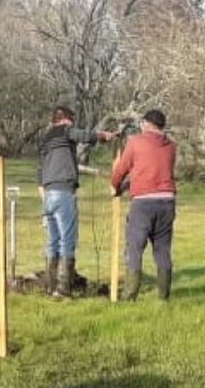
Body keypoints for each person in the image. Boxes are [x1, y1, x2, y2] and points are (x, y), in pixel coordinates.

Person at [37, 105, 116, 298]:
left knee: (52, 240)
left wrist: (43, 195)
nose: (73, 123)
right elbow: (84, 136)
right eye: (72, 120)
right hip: (64, 191)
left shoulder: (45, 140)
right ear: (65, 119)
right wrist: (103, 136)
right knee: (67, 239)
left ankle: (50, 284)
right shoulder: (65, 130)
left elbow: (39, 171)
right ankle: (64, 287)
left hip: (48, 194)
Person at [110, 108, 178, 301]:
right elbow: (156, 171)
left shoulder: (135, 142)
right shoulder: (171, 147)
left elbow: (121, 169)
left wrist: (115, 186)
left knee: (135, 248)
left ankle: (130, 295)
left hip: (143, 203)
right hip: (167, 201)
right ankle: (164, 297)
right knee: (162, 249)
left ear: (147, 124)